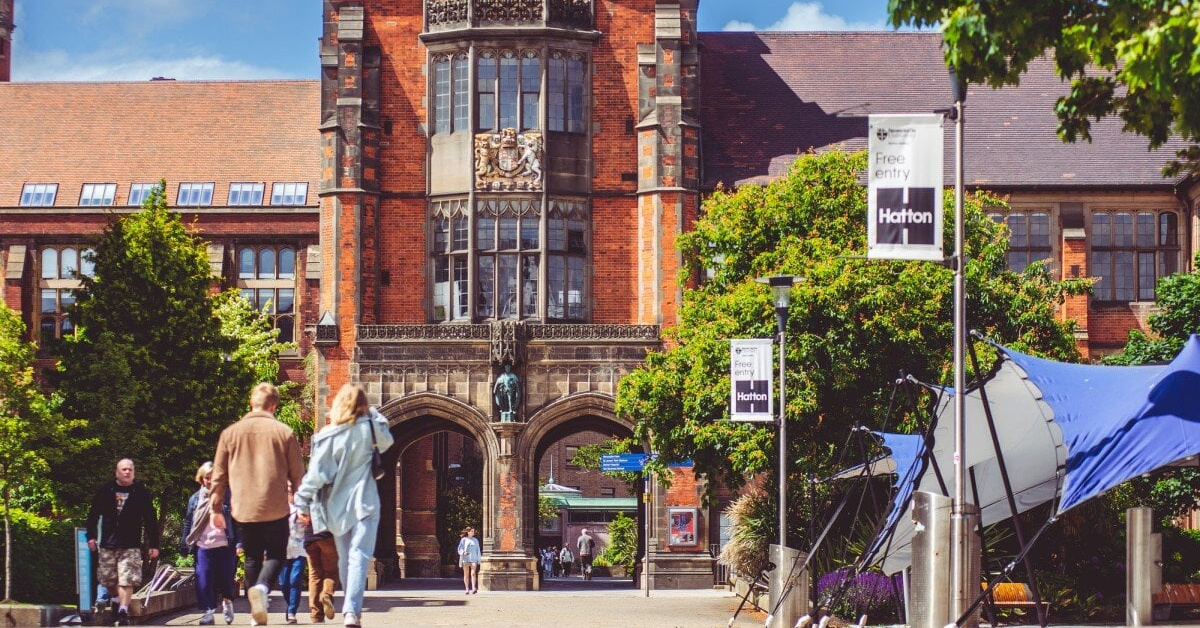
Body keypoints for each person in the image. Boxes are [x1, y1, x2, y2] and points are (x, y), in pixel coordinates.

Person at [294, 383, 394, 628]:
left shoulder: (327, 435)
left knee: (346, 560)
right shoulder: (370, 430)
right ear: (362, 405)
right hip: (366, 505)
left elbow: (316, 475)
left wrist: (301, 502)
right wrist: (372, 412)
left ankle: (350, 610)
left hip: (337, 509)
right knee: (359, 557)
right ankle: (351, 612)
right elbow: (388, 439)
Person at [210, 382, 305, 626]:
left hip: (244, 507)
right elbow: (298, 475)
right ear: (274, 405)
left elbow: (218, 475)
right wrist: (302, 506)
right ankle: (262, 588)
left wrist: (215, 508)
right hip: (275, 506)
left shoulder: (231, 433)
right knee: (276, 554)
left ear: (252, 402)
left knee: (252, 557)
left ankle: (255, 614)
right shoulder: (284, 432)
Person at [85, 459, 160, 627]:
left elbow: (150, 519)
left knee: (127, 579)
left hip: (130, 544)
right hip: (108, 544)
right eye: (124, 469)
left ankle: (123, 611)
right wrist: (91, 536)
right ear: (117, 472)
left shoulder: (140, 492)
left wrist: (154, 545)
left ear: (133, 472)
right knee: (108, 580)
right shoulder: (106, 490)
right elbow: (93, 514)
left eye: (130, 470)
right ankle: (117, 599)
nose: (127, 472)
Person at [182, 461, 240, 626]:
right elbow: (188, 523)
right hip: (203, 546)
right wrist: (184, 544)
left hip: (225, 545)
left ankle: (228, 601)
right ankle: (208, 612)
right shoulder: (195, 499)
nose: (210, 481)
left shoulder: (227, 496)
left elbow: (236, 521)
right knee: (204, 580)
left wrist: (240, 543)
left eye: (213, 478)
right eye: (207, 478)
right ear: (202, 479)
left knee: (226, 580)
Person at [303, 515, 338, 623]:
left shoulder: (306, 498)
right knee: (331, 571)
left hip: (309, 537)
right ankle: (326, 594)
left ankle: (316, 615)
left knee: (314, 574)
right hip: (327, 535)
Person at [279, 497, 307, 624]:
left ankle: (291, 612)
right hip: (282, 551)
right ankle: (291, 605)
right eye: (288, 492)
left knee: (295, 580)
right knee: (283, 583)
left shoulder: (305, 508)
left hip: (299, 550)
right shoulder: (279, 508)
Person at [456, 527, 481, 594]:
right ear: (468, 532)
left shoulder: (475, 540)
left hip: (474, 559)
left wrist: (479, 559)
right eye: (472, 531)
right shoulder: (463, 540)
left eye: (473, 531)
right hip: (465, 559)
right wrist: (463, 553)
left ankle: (473, 588)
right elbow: (459, 548)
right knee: (466, 574)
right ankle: (467, 589)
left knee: (473, 573)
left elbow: (478, 550)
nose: (473, 532)